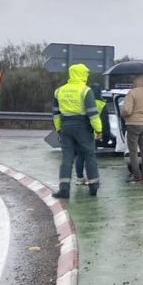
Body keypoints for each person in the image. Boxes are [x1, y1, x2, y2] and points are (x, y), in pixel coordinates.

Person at [52, 63, 102, 199]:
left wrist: (59, 129)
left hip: (65, 126)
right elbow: (93, 113)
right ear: (82, 74)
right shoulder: (85, 91)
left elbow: (56, 114)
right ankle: (93, 186)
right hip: (83, 126)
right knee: (89, 155)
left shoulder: (59, 91)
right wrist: (98, 129)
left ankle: (64, 190)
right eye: (86, 73)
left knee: (67, 158)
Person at [120, 74, 143, 183]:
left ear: (137, 81)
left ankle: (136, 175)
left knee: (133, 151)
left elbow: (127, 110)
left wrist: (122, 113)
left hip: (133, 124)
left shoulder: (132, 93)